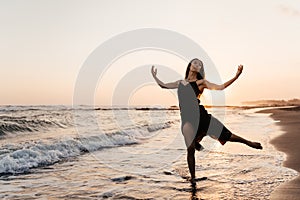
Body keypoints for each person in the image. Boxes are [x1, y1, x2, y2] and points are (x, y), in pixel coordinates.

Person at [151, 58, 262, 183]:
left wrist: (236, 76)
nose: (197, 65)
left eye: (200, 64)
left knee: (227, 135)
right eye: (195, 62)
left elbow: (220, 88)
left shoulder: (201, 82)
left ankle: (248, 142)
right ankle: (193, 178)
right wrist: (154, 76)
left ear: (200, 69)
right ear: (190, 65)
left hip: (202, 117)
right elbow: (163, 85)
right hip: (187, 119)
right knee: (190, 147)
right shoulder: (180, 82)